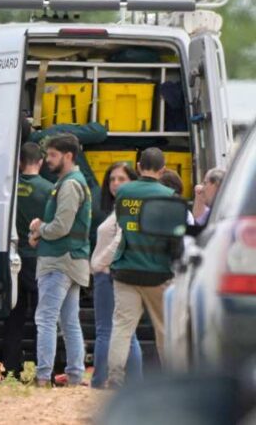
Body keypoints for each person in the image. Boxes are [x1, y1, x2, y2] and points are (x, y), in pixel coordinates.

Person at [106, 147, 177, 388]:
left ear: (138, 167)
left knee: (122, 327)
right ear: (163, 169)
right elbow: (173, 238)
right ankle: (170, 380)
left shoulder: (124, 192)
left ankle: (115, 377)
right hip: (158, 273)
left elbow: (122, 223)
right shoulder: (169, 195)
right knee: (165, 330)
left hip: (126, 269)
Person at [28, 134, 92, 387]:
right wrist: (41, 234)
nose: (47, 160)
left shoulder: (69, 185)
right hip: (72, 259)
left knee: (45, 318)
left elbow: (61, 227)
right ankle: (75, 376)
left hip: (59, 262)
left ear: (68, 156)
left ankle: (43, 377)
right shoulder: (73, 182)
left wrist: (39, 228)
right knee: (69, 321)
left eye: (53, 155)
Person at [89, 161, 144, 389]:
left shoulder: (127, 207)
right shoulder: (119, 207)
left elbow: (121, 240)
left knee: (105, 331)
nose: (115, 183)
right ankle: (135, 383)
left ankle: (99, 381)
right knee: (127, 332)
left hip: (110, 273)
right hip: (117, 273)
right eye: (112, 179)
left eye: (121, 178)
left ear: (132, 180)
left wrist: (98, 263)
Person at [2, 142, 52, 381]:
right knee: (43, 316)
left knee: (14, 317)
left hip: (13, 257)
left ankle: (11, 369)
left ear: (19, 162)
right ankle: (45, 369)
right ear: (40, 162)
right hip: (39, 257)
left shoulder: (9, 188)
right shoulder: (49, 189)